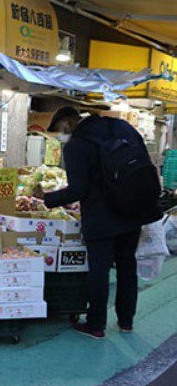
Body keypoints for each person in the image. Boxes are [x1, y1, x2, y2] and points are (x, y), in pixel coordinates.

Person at [42, 107, 161, 339]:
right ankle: (126, 321)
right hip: (131, 209)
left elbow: (78, 189)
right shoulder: (120, 127)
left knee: (99, 269)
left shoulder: (77, 145)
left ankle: (96, 324)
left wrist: (47, 198)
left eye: (59, 130)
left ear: (68, 122)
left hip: (101, 216)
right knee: (127, 266)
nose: (60, 135)